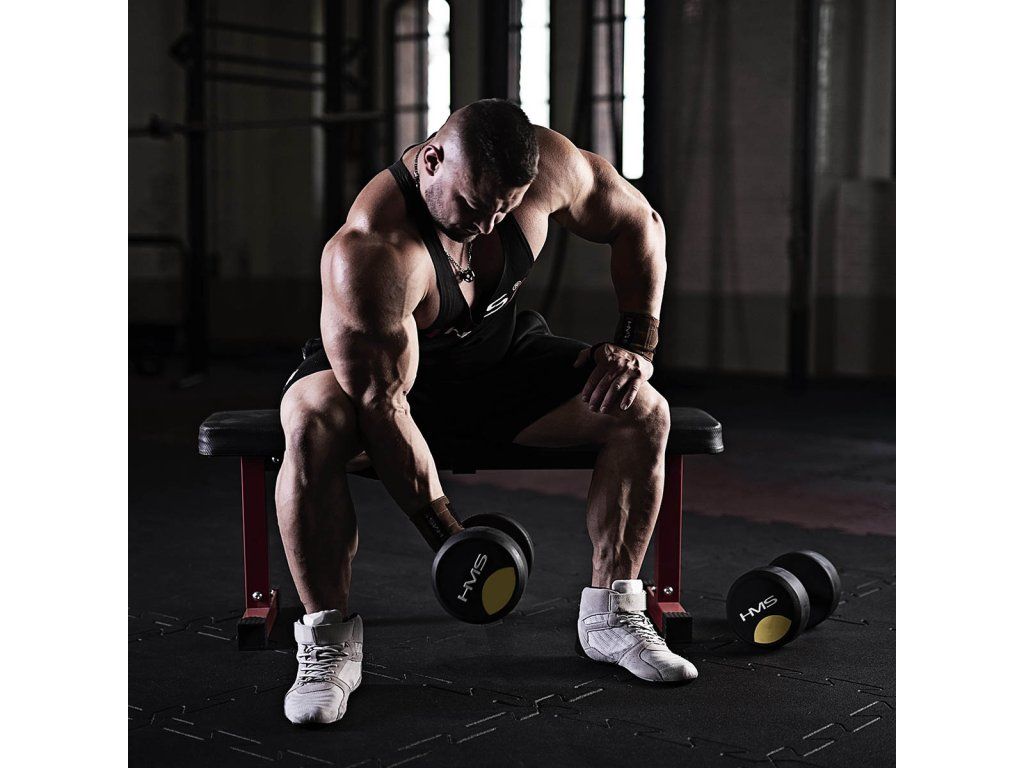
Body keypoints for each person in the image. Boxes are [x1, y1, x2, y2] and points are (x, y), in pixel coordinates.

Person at [275, 98, 697, 726]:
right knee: (312, 420)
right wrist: (452, 539)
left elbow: (642, 222)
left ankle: (613, 615)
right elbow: (382, 406)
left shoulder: (551, 168)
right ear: (431, 160)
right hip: (384, 388)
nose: (488, 223)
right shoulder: (372, 251)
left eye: (505, 207)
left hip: (496, 362)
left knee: (643, 411)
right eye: (473, 206)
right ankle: (328, 641)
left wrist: (638, 344)